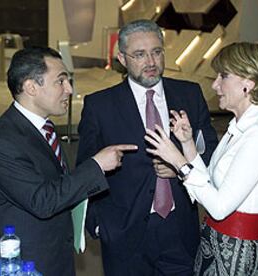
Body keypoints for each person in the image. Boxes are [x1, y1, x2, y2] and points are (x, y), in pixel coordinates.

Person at [76, 19, 218, 275]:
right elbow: (86, 168)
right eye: (140, 54)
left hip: (179, 228)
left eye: (156, 52)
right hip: (124, 232)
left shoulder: (190, 95)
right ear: (121, 57)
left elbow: (211, 153)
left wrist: (181, 169)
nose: (151, 62)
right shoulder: (100, 106)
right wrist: (98, 225)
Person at [0, 46, 137, 276]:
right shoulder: (1, 141)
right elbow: (42, 200)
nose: (69, 89)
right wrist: (96, 165)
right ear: (31, 87)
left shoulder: (44, 127)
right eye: (60, 81)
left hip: (56, 254)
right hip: (24, 263)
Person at [144, 42, 258, 275]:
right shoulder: (239, 127)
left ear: (247, 84)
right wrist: (188, 144)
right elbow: (209, 180)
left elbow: (219, 207)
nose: (215, 85)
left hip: (237, 251)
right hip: (217, 242)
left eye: (223, 76)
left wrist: (178, 160)